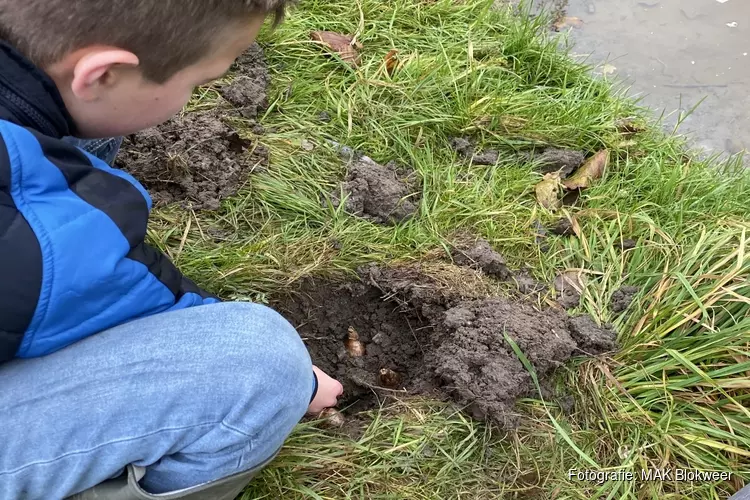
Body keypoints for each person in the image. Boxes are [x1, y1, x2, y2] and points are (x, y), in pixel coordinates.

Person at [0, 1, 344, 499]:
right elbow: (129, 294)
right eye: (197, 84)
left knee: (88, 135)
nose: (187, 102)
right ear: (102, 72)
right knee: (260, 366)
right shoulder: (37, 235)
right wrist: (303, 385)